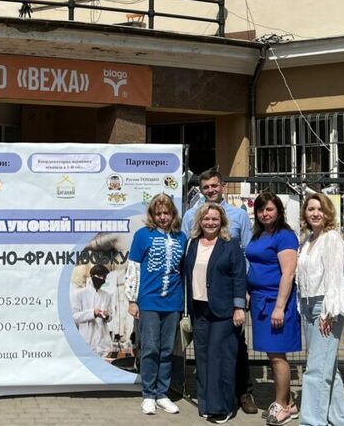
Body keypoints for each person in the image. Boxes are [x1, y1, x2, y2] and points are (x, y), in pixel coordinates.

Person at [184, 169, 257, 414]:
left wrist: (242, 293)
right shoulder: (191, 215)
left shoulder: (239, 215)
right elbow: (187, 254)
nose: (210, 190)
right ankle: (211, 398)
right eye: (206, 187)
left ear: (222, 186)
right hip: (201, 300)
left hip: (229, 295)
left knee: (235, 348)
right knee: (208, 352)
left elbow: (246, 253)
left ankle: (243, 392)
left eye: (214, 185)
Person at [126, 193, 186, 415]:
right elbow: (133, 268)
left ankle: (162, 393)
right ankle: (148, 394)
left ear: (173, 214)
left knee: (167, 350)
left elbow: (184, 271)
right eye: (158, 213)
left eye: (166, 213)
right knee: (150, 348)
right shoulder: (143, 235)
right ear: (152, 215)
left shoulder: (181, 237)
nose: (162, 217)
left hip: (173, 302)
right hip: (149, 301)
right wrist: (132, 300)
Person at [246, 192, 301, 425]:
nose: (264, 214)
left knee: (278, 355)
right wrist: (249, 290)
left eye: (269, 209)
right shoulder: (259, 234)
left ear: (278, 211)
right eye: (260, 210)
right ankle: (288, 403)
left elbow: (288, 274)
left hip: (276, 301)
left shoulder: (285, 236)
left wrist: (279, 307)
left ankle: (282, 406)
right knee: (272, 354)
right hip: (259, 300)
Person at [297, 193, 344, 426]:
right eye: (311, 209)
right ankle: (338, 420)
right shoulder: (309, 239)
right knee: (327, 367)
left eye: (320, 209)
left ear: (328, 212)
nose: (315, 213)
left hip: (324, 306)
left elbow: (335, 277)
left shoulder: (332, 238)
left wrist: (328, 311)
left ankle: (311, 422)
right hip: (308, 305)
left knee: (315, 370)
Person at [71, 263, 113, 356]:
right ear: (92, 276)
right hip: (86, 340)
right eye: (99, 276)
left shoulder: (107, 296)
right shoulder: (79, 294)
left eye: (104, 277)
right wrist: (92, 313)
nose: (102, 279)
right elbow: (74, 316)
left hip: (103, 343)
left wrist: (107, 316)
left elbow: (110, 317)